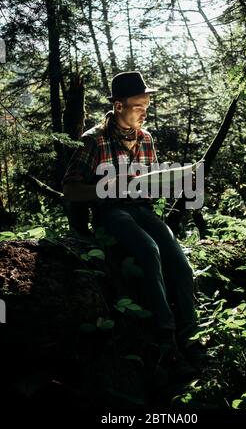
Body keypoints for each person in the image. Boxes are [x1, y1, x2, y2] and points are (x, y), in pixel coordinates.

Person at [62, 71, 206, 375]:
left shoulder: (146, 139)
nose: (144, 112)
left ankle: (191, 339)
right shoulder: (93, 140)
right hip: (112, 211)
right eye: (138, 106)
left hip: (143, 210)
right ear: (118, 105)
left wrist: (175, 182)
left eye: (146, 106)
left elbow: (150, 184)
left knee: (179, 262)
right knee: (148, 249)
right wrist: (109, 189)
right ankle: (165, 341)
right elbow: (71, 189)